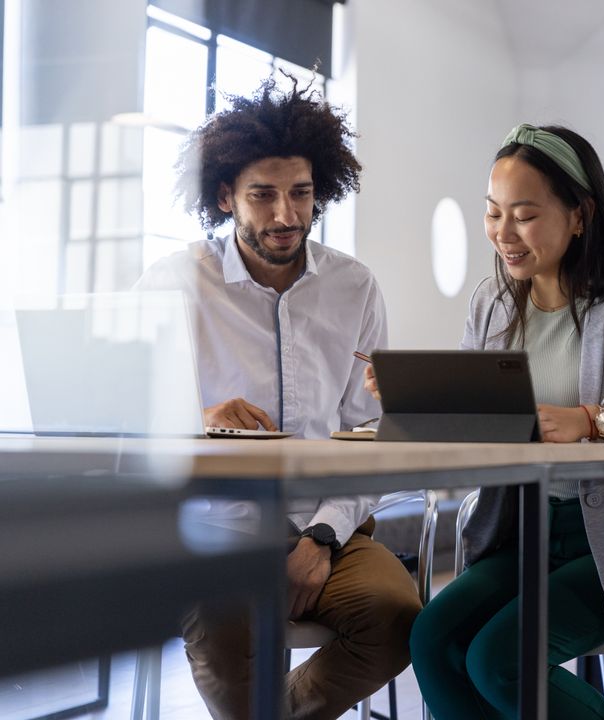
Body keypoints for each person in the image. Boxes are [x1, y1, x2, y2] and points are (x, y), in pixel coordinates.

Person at [394, 124, 604, 719]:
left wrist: (595, 420)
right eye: (493, 214)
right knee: (432, 639)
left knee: (499, 659)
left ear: (580, 215)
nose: (503, 234)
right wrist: (423, 398)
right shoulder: (490, 303)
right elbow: (478, 421)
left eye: (524, 215)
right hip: (520, 533)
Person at [135, 76, 421, 720]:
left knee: (400, 620)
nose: (286, 215)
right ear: (224, 196)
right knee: (225, 642)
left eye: (301, 194)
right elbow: (124, 424)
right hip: (213, 536)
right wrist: (195, 417)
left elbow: (370, 436)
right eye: (262, 195)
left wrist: (321, 538)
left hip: (330, 529)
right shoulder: (174, 283)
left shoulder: (355, 287)